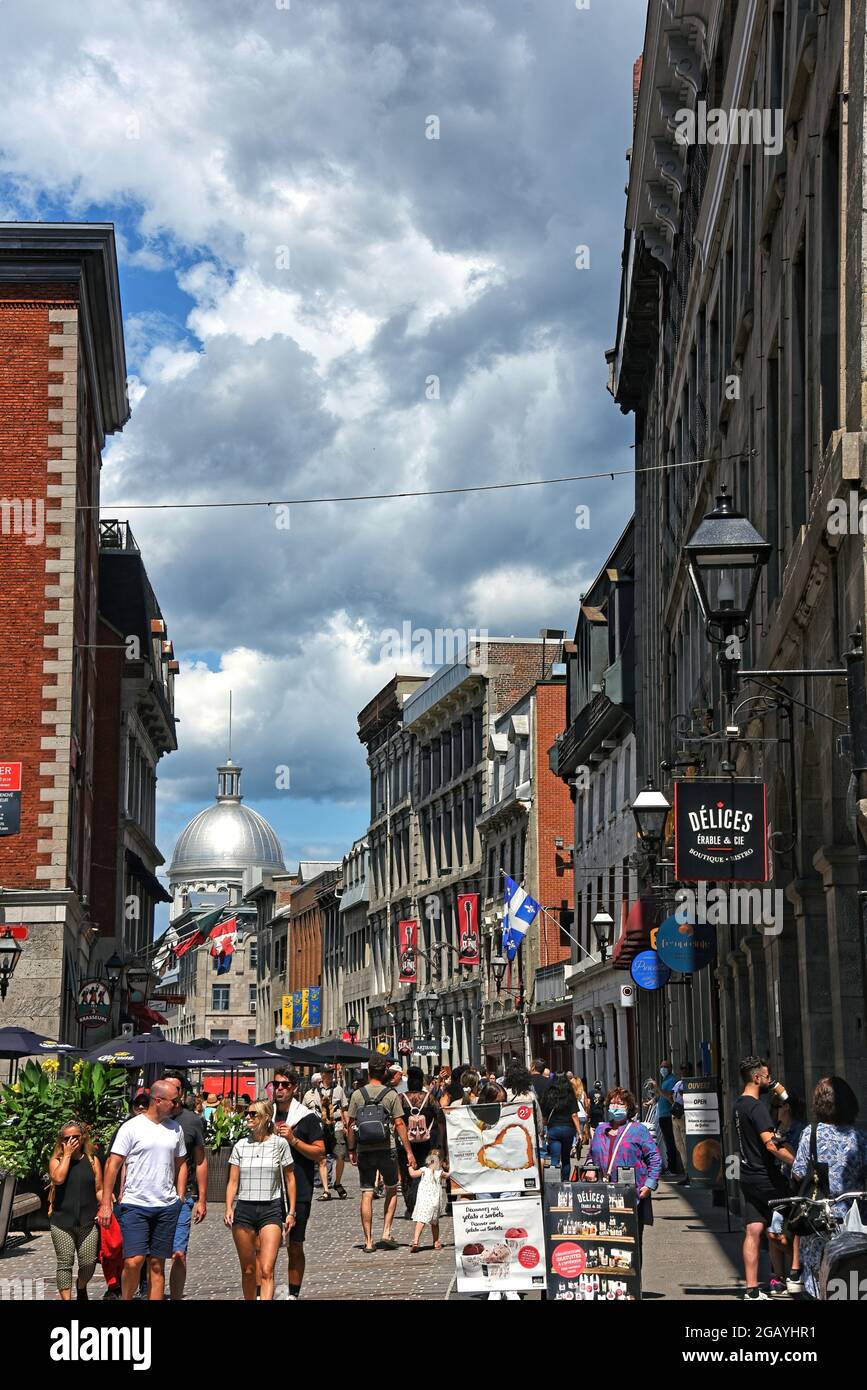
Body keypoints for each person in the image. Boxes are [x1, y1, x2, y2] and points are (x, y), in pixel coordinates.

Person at [98, 1079, 187, 1301]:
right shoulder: (131, 1127)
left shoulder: (175, 1129)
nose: (177, 1105)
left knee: (157, 1264)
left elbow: (181, 1162)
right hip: (135, 1204)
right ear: (158, 1101)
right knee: (133, 1261)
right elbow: (113, 1164)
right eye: (173, 1101)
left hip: (166, 1206)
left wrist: (180, 1195)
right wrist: (106, 1205)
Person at [791, 1075, 867, 1300]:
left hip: (819, 1218)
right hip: (854, 1218)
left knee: (819, 1278)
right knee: (855, 1276)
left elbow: (798, 1173)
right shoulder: (860, 1137)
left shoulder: (811, 1134)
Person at [733, 1056, 794, 1300]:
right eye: (767, 1076)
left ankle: (752, 1289)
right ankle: (800, 1272)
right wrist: (797, 1160)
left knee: (753, 1230)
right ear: (757, 1078)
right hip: (767, 1177)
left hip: (747, 1176)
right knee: (795, 1224)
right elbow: (770, 1145)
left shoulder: (738, 1105)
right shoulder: (757, 1108)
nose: (770, 1080)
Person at [225, 1099, 296, 1300]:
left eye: (253, 1114)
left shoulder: (279, 1144)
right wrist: (229, 1207)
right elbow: (232, 1181)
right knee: (248, 1269)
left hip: (271, 1209)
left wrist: (291, 1212)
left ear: (265, 1118)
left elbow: (290, 1178)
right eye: (247, 1113)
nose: (248, 1117)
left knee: (266, 1269)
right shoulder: (240, 1145)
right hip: (244, 1210)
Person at [346, 1055, 415, 1253]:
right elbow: (400, 1123)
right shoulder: (390, 1094)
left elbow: (350, 1125)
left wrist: (351, 1150)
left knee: (367, 1192)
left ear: (368, 1072)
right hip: (388, 1148)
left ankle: (368, 1241)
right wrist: (409, 1152)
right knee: (392, 1189)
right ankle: (386, 1231)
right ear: (384, 1072)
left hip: (365, 1150)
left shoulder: (358, 1095)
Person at [271, 1069, 326, 1300]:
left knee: (295, 1245)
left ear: (294, 1088)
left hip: (299, 1189)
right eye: (276, 1084)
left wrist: (293, 1140)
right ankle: (263, 1291)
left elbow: (320, 1152)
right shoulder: (266, 1115)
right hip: (269, 1191)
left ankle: (293, 1293)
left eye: (284, 1085)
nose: (279, 1089)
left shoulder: (306, 1117)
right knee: (265, 1247)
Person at [582, 1086, 661, 1233]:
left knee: (630, 1240)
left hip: (630, 1194)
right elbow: (591, 1156)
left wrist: (650, 1185)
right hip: (602, 1195)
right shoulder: (600, 1129)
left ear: (629, 1107)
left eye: (620, 1104)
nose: (615, 1107)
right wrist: (590, 1168)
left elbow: (654, 1158)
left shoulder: (638, 1130)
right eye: (612, 1103)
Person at [162, 1076, 208, 1301]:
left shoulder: (192, 1121)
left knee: (178, 1253)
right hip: (153, 1196)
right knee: (154, 1258)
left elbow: (200, 1160)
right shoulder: (153, 1119)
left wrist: (202, 1199)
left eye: (175, 1088)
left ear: (181, 1092)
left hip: (183, 1196)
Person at [48, 1121, 103, 1301]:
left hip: (87, 1222)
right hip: (62, 1222)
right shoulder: (56, 1161)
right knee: (65, 1263)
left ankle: (81, 1285)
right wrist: (67, 1156)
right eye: (67, 1138)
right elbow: (58, 1179)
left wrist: (106, 1206)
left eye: (76, 1137)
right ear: (61, 1141)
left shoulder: (92, 1161)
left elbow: (99, 1189)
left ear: (83, 1138)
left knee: (88, 1263)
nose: (72, 1141)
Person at [769, 1091, 806, 1295]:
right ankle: (779, 1276)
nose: (774, 1112)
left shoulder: (800, 1130)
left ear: (786, 1108)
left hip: (794, 1188)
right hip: (779, 1186)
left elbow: (798, 1161)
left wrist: (780, 1145)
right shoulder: (777, 1128)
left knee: (791, 1230)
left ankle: (795, 1270)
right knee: (773, 1232)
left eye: (777, 1107)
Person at [306, 1068, 350, 1200]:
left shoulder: (338, 1090)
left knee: (341, 1155)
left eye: (331, 1073)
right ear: (322, 1075)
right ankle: (326, 1190)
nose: (330, 1075)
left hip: (336, 1126)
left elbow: (344, 1108)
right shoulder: (312, 1093)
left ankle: (337, 1183)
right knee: (321, 1158)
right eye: (327, 1073)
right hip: (320, 1127)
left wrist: (347, 1125)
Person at [400, 1067, 438, 1217]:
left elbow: (394, 1118)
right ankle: (424, 1206)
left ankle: (411, 1207)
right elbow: (439, 1115)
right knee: (426, 1173)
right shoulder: (429, 1098)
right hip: (426, 1142)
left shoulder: (401, 1098)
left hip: (406, 1143)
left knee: (406, 1174)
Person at [542, 1074, 582, 1181]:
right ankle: (565, 1182)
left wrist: (543, 1129)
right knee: (566, 1159)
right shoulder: (570, 1095)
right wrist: (579, 1132)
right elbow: (574, 1115)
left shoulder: (548, 1095)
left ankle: (554, 1183)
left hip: (553, 1129)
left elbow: (544, 1116)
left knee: (555, 1158)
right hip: (568, 1129)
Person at [408, 1148, 447, 1253]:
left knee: (420, 1221)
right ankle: (436, 1241)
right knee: (435, 1223)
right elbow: (449, 1176)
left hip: (424, 1202)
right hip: (435, 1202)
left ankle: (415, 1241)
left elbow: (412, 1174)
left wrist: (409, 1167)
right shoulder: (440, 1172)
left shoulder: (424, 1170)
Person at [504, 1062, 545, 1138]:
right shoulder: (530, 1096)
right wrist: (540, 1132)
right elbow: (538, 1118)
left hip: (509, 1136)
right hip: (528, 1136)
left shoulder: (504, 1095)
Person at [656, 1060, 681, 1175]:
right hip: (662, 1115)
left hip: (668, 1115)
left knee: (671, 1141)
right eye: (661, 1067)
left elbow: (670, 1097)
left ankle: (672, 1167)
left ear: (670, 1068)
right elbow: (660, 1096)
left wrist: (658, 1089)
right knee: (667, 1141)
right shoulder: (665, 1081)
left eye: (665, 1067)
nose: (663, 1069)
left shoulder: (672, 1081)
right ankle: (670, 1165)